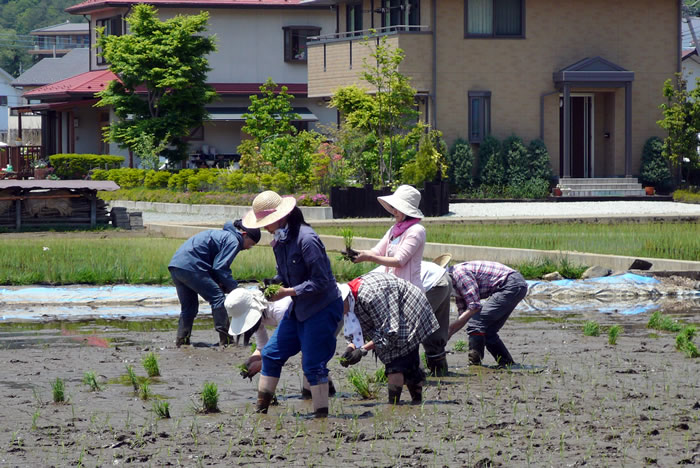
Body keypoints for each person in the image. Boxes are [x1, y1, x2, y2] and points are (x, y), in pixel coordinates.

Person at [243, 191, 342, 419]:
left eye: (266, 222)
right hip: (298, 308)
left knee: (313, 364)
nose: (264, 227)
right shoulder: (279, 241)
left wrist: (287, 292)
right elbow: (284, 274)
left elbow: (321, 281)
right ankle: (261, 410)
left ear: (281, 217)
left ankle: (321, 418)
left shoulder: (307, 239)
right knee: (270, 354)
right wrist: (273, 285)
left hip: (322, 308)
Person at [339, 272, 439, 405]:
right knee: (407, 359)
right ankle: (416, 403)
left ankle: (395, 405)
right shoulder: (350, 300)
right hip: (394, 306)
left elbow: (389, 332)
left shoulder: (370, 296)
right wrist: (350, 349)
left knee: (396, 362)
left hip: (409, 306)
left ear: (344, 299)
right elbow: (355, 330)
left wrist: (362, 350)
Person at [226, 287, 336, 397]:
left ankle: (317, 397)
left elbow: (287, 345)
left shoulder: (280, 308)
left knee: (309, 359)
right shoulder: (256, 319)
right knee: (311, 359)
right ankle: (327, 391)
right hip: (305, 323)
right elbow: (262, 347)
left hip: (322, 314)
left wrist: (261, 364)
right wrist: (251, 360)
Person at [168, 220, 261, 347]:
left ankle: (182, 340)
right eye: (251, 244)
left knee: (189, 307)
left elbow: (213, 265)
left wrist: (220, 283)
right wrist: (235, 289)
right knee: (218, 298)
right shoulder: (233, 241)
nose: (249, 248)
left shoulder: (224, 235)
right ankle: (226, 340)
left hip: (176, 266)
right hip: (192, 266)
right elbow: (220, 267)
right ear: (244, 234)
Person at [447, 261, 529, 367]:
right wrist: (447, 334)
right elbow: (463, 316)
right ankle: (507, 363)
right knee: (488, 330)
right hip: (513, 286)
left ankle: (475, 364)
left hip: (511, 284)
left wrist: (449, 329)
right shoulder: (455, 288)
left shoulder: (459, 274)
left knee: (476, 324)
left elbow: (474, 306)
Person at [353, 185, 426, 291]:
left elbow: (399, 261)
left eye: (398, 208)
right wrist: (356, 253)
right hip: (393, 288)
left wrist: (368, 258)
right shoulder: (394, 229)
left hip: (410, 290)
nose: (394, 212)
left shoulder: (416, 231)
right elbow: (377, 251)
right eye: (393, 207)